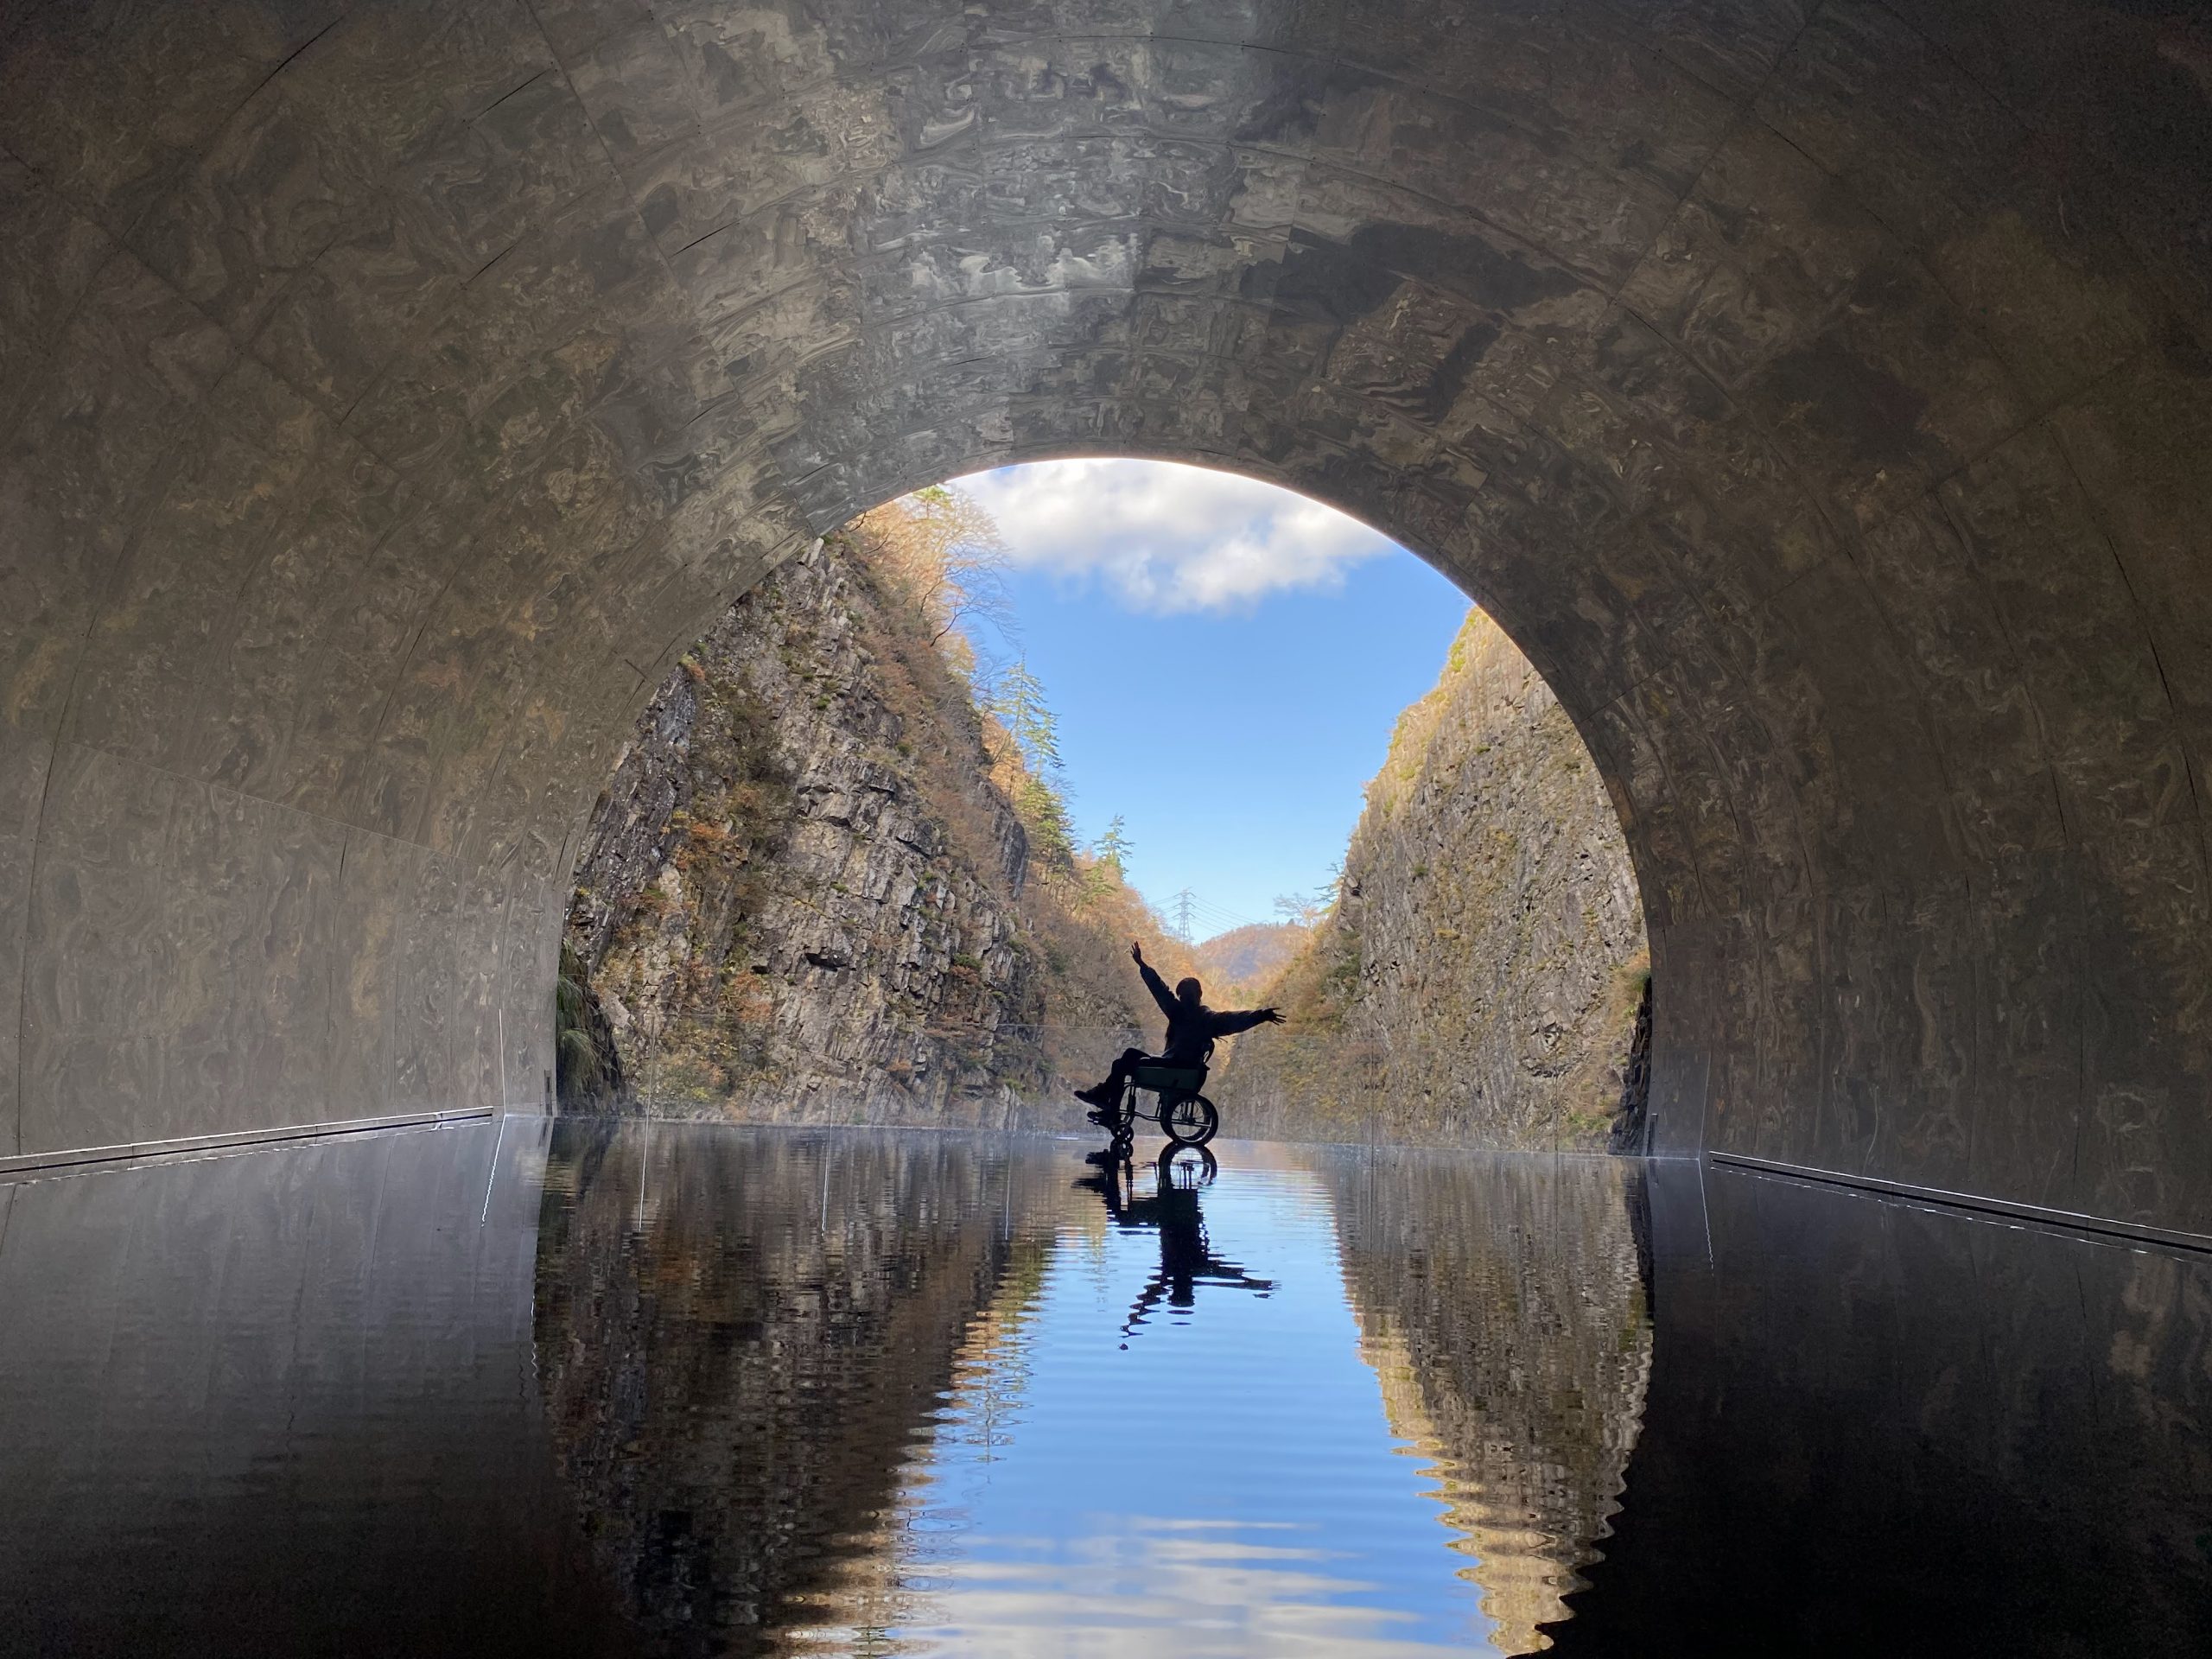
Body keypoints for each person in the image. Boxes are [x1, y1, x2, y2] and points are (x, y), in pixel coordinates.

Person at [1074, 941, 1283, 1124]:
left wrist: (1142, 965)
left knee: (1126, 1059)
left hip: (1173, 1066)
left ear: (1181, 995)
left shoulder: (1179, 1012)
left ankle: (1108, 1105)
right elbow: (1236, 1019)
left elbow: (1159, 990)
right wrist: (1261, 1015)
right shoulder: (1208, 1019)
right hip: (1181, 1068)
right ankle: (1107, 1103)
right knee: (1124, 1060)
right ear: (1199, 995)